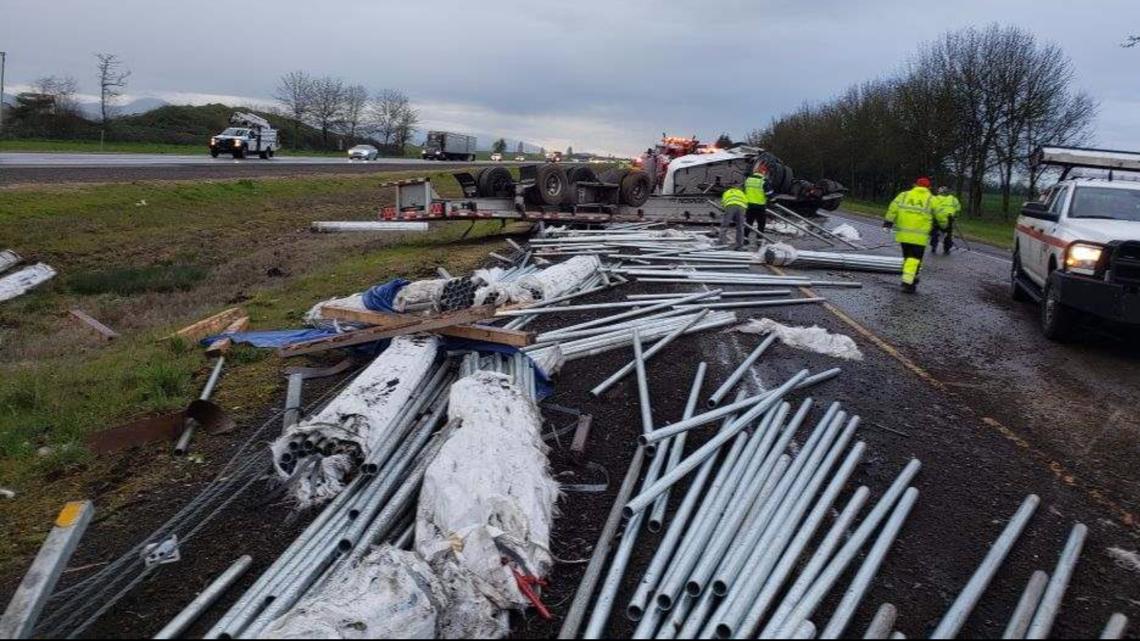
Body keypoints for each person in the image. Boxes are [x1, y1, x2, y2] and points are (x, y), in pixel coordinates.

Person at [883, 177, 950, 293]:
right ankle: (908, 282)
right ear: (929, 187)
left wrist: (888, 222)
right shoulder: (931, 199)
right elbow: (941, 215)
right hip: (919, 236)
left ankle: (910, 279)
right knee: (914, 259)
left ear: (915, 185)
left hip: (903, 234)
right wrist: (945, 226)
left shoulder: (904, 195)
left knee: (907, 257)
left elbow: (893, 208)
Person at [743, 163, 772, 246]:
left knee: (749, 222)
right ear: (763, 172)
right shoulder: (763, 181)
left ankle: (745, 238)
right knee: (761, 223)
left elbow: (744, 190)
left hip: (749, 205)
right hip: (760, 206)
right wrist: (773, 200)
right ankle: (759, 240)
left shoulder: (748, 180)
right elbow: (769, 193)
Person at [929, 186, 962, 254]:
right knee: (948, 235)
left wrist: (931, 217)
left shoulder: (934, 198)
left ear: (939, 192)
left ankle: (933, 247)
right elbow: (958, 209)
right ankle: (947, 249)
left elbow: (930, 209)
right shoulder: (953, 199)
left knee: (935, 234)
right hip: (949, 220)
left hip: (937, 219)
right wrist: (955, 216)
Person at [719, 185, 748, 249]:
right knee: (740, 227)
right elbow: (746, 202)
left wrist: (725, 210)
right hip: (741, 207)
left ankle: (721, 243)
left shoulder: (727, 192)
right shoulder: (741, 192)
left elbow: (723, 203)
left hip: (730, 206)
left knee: (724, 226)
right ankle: (739, 245)